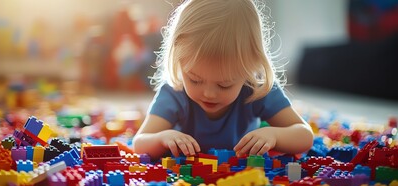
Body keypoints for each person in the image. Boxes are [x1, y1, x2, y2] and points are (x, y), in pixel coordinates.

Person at [133, 0, 314, 160]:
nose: (209, 93)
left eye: (224, 84)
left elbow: (304, 135)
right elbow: (140, 142)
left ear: (250, 68)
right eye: (195, 80)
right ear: (179, 62)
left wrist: (275, 135)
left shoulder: (256, 88)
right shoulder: (174, 91)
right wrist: (162, 138)